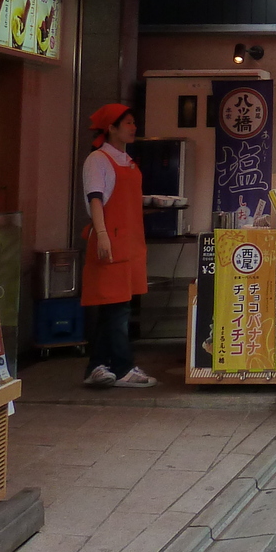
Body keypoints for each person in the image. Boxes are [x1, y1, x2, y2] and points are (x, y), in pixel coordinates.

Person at [80, 104, 158, 389]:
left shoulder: (127, 160)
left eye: (133, 121)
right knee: (117, 308)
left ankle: (97, 366)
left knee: (113, 308)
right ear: (111, 128)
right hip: (110, 241)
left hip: (129, 242)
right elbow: (95, 199)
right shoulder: (98, 160)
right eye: (127, 122)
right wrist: (101, 234)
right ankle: (123, 367)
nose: (133, 127)